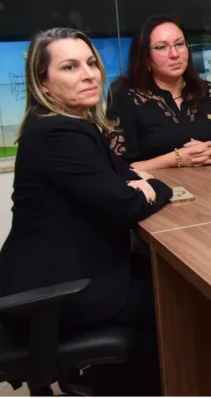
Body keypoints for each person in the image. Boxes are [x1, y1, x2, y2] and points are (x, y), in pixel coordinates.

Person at [0, 28, 172, 394]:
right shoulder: (58, 133)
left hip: (65, 271)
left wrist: (134, 181)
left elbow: (119, 172)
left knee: (163, 275)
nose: (89, 74)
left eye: (91, 63)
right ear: (44, 84)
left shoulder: (68, 124)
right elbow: (124, 204)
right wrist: (157, 187)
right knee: (170, 298)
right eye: (70, 67)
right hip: (55, 289)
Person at [106, 15, 211, 171]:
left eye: (179, 44)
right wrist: (175, 159)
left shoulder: (210, 92)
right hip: (159, 190)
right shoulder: (125, 96)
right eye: (162, 47)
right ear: (145, 56)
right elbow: (118, 168)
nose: (174, 54)